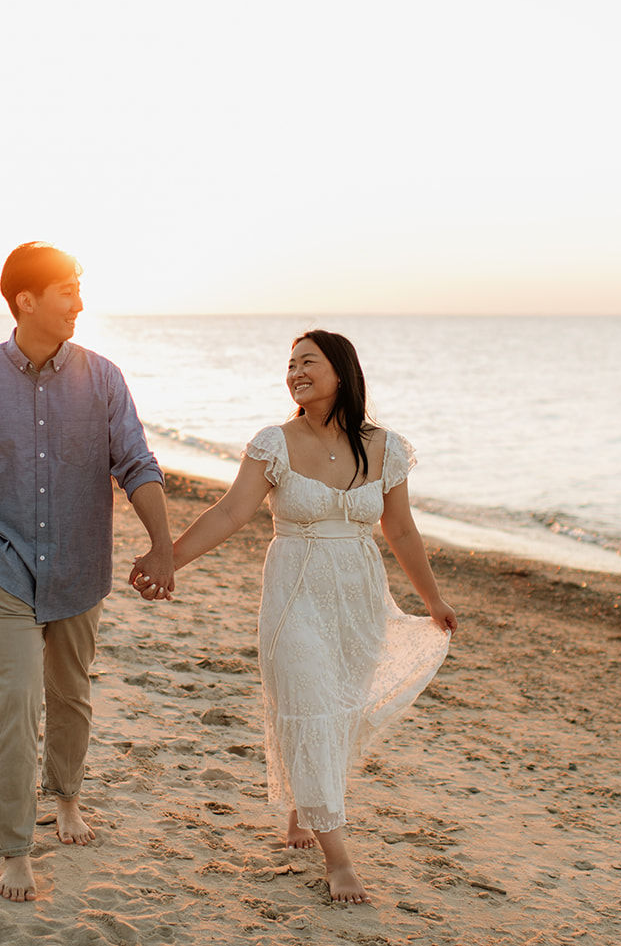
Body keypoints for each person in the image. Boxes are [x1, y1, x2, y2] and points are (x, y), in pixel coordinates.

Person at [131, 329, 457, 904]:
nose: (295, 372)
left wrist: (431, 599)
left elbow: (400, 528)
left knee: (335, 714)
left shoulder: (386, 447)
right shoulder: (273, 443)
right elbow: (231, 512)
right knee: (307, 706)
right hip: (295, 596)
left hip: (358, 599)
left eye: (308, 362)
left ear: (341, 372)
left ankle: (303, 809)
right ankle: (340, 861)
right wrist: (168, 558)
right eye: (289, 365)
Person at [0, 241, 175, 903]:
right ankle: (14, 848)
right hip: (3, 570)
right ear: (26, 300)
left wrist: (162, 542)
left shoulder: (104, 378)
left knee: (70, 694)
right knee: (15, 702)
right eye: (68, 289)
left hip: (78, 565)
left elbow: (137, 463)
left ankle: (65, 795)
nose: (80, 302)